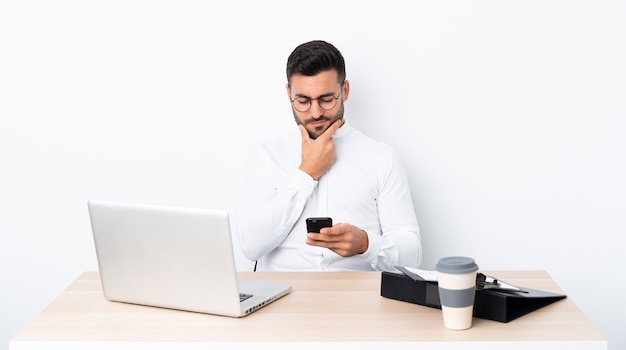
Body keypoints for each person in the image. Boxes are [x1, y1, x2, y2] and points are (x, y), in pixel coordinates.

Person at [237, 40, 421, 271]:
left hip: (359, 300)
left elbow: (412, 255)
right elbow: (250, 246)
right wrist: (307, 174)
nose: (315, 113)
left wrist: (366, 244)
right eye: (303, 101)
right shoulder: (266, 155)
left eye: (326, 99)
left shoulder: (382, 157)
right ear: (289, 94)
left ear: (344, 91)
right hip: (283, 300)